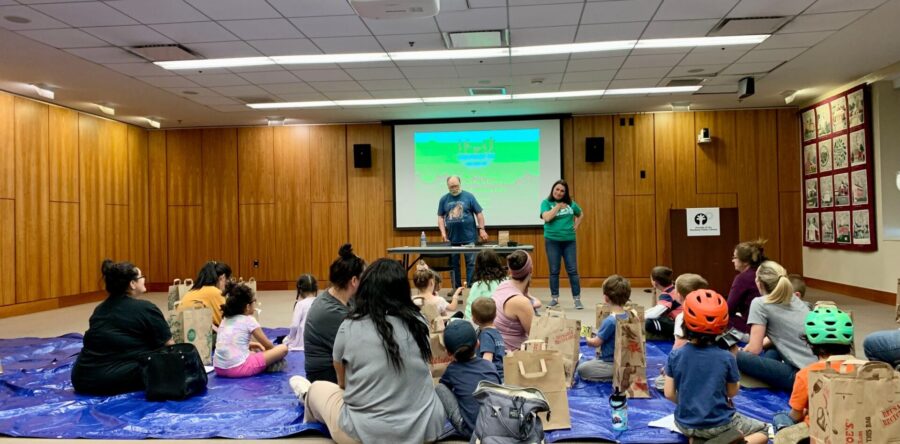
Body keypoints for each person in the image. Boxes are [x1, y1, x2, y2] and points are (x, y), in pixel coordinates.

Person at [289, 258, 446, 444]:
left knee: (317, 388)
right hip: (426, 431)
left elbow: (343, 383)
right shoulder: (419, 322)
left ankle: (306, 395)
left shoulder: (349, 325)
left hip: (363, 434)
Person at [664, 289, 768, 444]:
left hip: (684, 424)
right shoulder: (726, 357)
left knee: (701, 432)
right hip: (719, 424)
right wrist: (733, 360)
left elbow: (669, 393)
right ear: (723, 325)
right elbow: (732, 392)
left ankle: (699, 439)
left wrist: (690, 406)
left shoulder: (675, 355)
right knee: (763, 431)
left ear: (684, 322)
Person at [72, 260, 173, 395]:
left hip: (81, 377)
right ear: (132, 284)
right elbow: (169, 345)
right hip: (108, 380)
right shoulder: (146, 308)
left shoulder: (100, 309)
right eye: (141, 277)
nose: (144, 279)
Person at [773, 305, 855, 443]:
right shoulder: (867, 369)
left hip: (818, 434)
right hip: (855, 430)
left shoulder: (806, 374)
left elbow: (796, 415)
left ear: (811, 344)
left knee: (780, 417)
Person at [737, 260, 817, 392]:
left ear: (759, 283)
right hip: (818, 369)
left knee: (735, 355)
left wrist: (741, 351)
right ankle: (768, 376)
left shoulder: (760, 303)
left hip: (801, 377)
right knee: (772, 348)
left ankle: (766, 377)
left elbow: (754, 349)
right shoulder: (795, 299)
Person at [304, 244, 365, 383]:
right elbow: (362, 347)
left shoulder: (339, 296)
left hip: (333, 368)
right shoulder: (333, 312)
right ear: (354, 281)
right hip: (325, 376)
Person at [435, 320, 502, 438]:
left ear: (448, 353)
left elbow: (444, 387)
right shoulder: (489, 365)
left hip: (470, 430)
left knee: (440, 388)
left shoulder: (452, 370)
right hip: (496, 424)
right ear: (478, 344)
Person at [214, 282, 288, 377]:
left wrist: (252, 344)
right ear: (247, 306)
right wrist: (273, 355)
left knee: (253, 352)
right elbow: (268, 346)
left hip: (219, 368)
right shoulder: (249, 320)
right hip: (239, 369)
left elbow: (229, 341)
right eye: (254, 302)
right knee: (283, 348)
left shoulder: (225, 319)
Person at [540, 179, 584, 309]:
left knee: (573, 270)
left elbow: (581, 214)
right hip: (552, 241)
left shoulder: (571, 204)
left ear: (565, 193)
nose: (559, 192)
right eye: (557, 189)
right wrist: (558, 206)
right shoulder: (546, 203)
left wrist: (576, 225)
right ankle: (554, 298)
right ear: (553, 190)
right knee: (554, 271)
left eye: (562, 191)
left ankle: (577, 299)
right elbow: (547, 217)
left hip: (569, 241)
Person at [438, 176, 488, 289]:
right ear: (447, 186)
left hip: (469, 237)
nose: (454, 188)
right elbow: (440, 217)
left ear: (460, 184)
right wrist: (443, 233)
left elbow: (479, 213)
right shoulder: (444, 199)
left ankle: (470, 288)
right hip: (452, 239)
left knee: (471, 264)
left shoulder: (469, 196)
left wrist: (482, 229)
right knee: (454, 265)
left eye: (456, 186)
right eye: (451, 187)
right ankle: (457, 289)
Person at [577, 275, 631, 381]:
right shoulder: (629, 315)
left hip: (611, 362)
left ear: (606, 298)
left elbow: (595, 343)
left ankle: (615, 375)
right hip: (626, 359)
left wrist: (586, 336)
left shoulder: (610, 321)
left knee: (582, 369)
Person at [491, 250, 535, 351]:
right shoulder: (521, 302)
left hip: (495, 346)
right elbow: (536, 337)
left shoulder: (503, 285)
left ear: (510, 270)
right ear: (531, 269)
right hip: (511, 353)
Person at [727, 240, 767, 333]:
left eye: (735, 257)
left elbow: (729, 309)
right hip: (770, 324)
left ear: (745, 262)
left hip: (754, 328)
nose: (732, 260)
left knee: (723, 318)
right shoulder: (764, 272)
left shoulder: (743, 278)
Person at [177, 261, 232, 326]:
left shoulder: (193, 290)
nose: (228, 284)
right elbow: (223, 322)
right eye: (228, 280)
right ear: (222, 277)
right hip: (194, 328)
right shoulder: (214, 292)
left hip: (180, 326)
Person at [463, 249, 507, 320]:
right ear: (497, 263)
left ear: (478, 266)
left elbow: (469, 312)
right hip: (504, 322)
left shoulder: (477, 286)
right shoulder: (507, 282)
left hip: (483, 323)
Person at [672, 273, 709, 350]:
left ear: (679, 296)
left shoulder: (681, 317)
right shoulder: (712, 313)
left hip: (690, 354)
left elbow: (679, 346)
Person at [471, 297, 505, 379]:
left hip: (492, 376)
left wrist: (482, 376)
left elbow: (487, 358)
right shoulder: (496, 332)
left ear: (474, 319)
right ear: (495, 315)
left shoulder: (486, 335)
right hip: (501, 373)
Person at [284, 274, 318, 351]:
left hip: (304, 340)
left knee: (284, 342)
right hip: (319, 340)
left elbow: (294, 325)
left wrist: (290, 338)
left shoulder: (300, 304)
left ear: (300, 290)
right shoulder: (321, 302)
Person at [645, 266, 680, 339]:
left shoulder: (667, 295)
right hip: (682, 323)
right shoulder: (673, 289)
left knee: (648, 323)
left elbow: (654, 314)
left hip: (680, 326)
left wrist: (640, 318)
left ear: (655, 282)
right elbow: (656, 308)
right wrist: (644, 313)